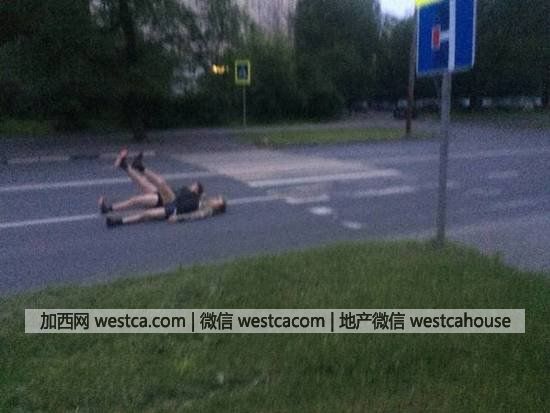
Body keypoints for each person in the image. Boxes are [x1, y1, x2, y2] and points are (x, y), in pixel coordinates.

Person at [100, 148, 226, 227]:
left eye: (218, 201)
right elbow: (200, 194)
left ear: (218, 207)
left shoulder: (206, 210)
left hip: (174, 208)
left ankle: (117, 222)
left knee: (146, 213)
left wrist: (178, 218)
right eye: (217, 198)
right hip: (172, 200)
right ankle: (131, 166)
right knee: (148, 184)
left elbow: (194, 215)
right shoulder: (203, 197)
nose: (215, 199)